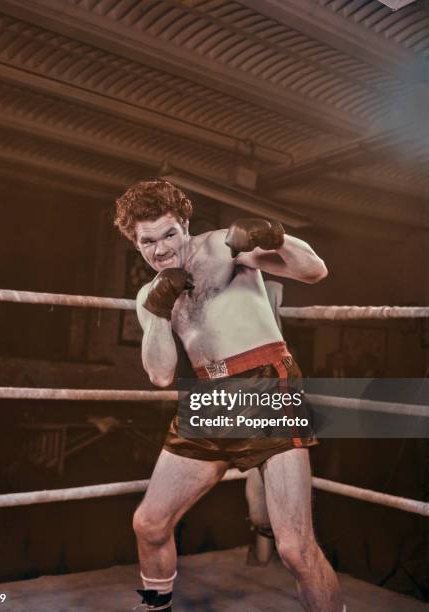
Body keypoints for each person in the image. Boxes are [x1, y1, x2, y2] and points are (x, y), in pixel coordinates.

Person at [114, 180, 345, 612]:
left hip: (265, 385)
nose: (161, 249)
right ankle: (154, 606)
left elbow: (314, 271)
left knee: (295, 547)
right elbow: (162, 375)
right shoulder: (148, 296)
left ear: (184, 223)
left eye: (169, 234)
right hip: (208, 398)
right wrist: (161, 310)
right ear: (135, 242)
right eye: (148, 242)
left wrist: (275, 235)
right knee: (149, 522)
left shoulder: (223, 246)